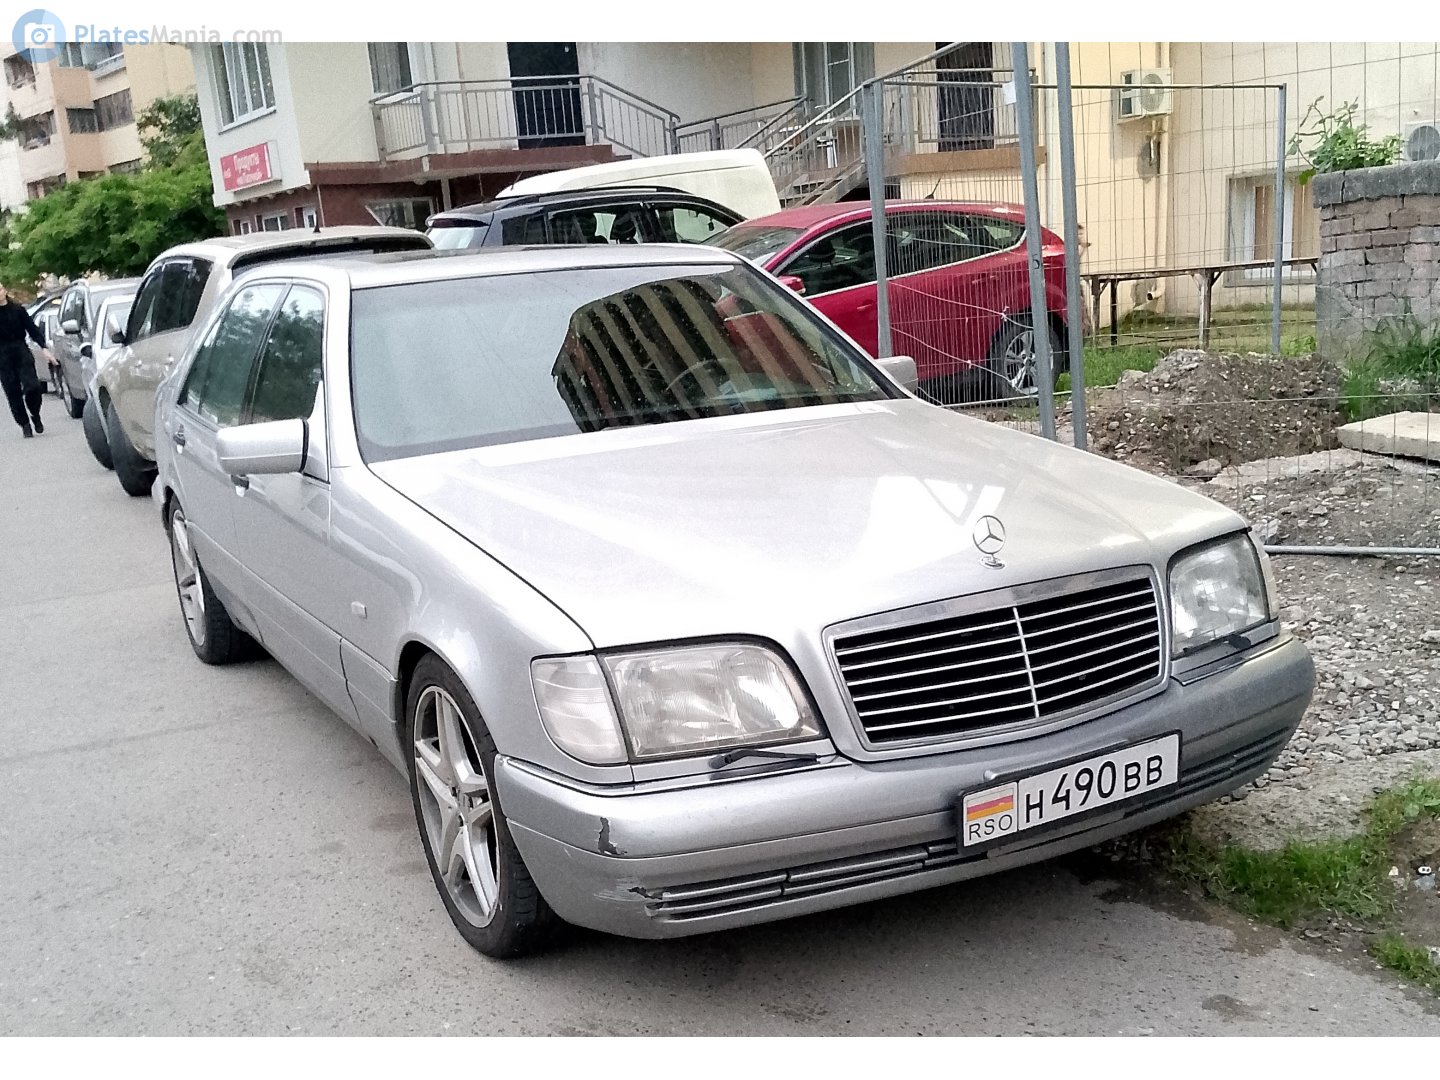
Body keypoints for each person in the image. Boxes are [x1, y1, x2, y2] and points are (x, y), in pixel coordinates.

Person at [0, 282, 53, 438]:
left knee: (33, 387)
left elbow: (32, 329)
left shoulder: (18, 310)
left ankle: (35, 414)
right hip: (2, 356)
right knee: (12, 392)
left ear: (5, 290)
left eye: (1, 289)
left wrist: (44, 348)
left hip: (21, 350)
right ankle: (24, 423)